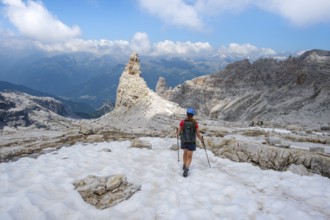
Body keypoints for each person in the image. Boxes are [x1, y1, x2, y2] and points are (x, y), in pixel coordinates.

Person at [177, 108, 204, 177]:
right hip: (192, 141)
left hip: (184, 141)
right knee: (189, 156)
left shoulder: (182, 122)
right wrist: (201, 140)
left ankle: (184, 165)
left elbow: (178, 132)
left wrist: (177, 133)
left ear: (187, 114)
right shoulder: (195, 123)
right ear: (193, 115)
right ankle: (186, 168)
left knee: (185, 153)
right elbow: (197, 134)